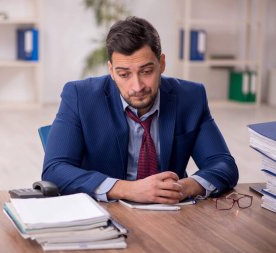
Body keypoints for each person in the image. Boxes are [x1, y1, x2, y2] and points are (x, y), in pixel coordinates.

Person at [42, 16, 238, 204]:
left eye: (146, 72)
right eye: (124, 74)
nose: (137, 86)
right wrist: (129, 189)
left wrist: (185, 187)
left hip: (171, 215)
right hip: (106, 213)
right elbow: (55, 170)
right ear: (111, 71)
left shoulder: (190, 97)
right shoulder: (80, 96)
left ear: (161, 64)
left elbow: (224, 165)